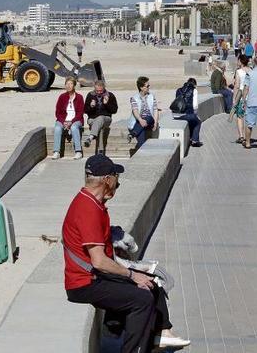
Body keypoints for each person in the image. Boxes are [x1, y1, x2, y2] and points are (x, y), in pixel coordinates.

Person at [63, 154, 190, 353]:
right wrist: (132, 274)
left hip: (94, 277)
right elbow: (99, 261)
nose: (118, 182)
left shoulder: (92, 203)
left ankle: (159, 335)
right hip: (85, 283)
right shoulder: (88, 209)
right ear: (107, 180)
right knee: (142, 299)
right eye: (116, 177)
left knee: (152, 283)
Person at [53, 77, 84, 160]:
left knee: (74, 127)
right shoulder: (62, 97)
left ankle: (78, 151)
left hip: (76, 120)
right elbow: (57, 112)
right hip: (63, 120)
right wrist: (63, 122)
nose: (68, 86)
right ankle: (56, 152)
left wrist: (71, 122)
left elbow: (80, 113)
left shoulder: (79, 97)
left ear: (74, 85)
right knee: (57, 128)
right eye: (67, 84)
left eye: (70, 84)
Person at [84, 80, 118, 153]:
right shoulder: (90, 95)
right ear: (94, 88)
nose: (99, 92)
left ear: (104, 88)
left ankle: (90, 137)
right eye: (97, 91)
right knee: (101, 128)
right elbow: (85, 110)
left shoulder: (110, 95)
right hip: (92, 119)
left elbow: (114, 110)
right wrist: (91, 106)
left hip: (106, 119)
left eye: (101, 91)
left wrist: (107, 104)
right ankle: (101, 152)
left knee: (100, 118)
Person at [128, 76, 159, 149]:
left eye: (149, 86)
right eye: (147, 86)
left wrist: (155, 123)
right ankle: (137, 156)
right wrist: (140, 120)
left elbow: (155, 110)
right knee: (141, 142)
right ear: (141, 88)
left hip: (150, 120)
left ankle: (133, 134)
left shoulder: (151, 96)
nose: (149, 87)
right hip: (139, 121)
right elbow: (135, 110)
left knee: (148, 117)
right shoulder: (134, 98)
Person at [173, 78, 203, 148]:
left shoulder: (179, 90)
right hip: (185, 114)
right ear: (194, 85)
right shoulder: (194, 90)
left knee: (192, 119)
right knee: (197, 121)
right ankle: (195, 140)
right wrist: (195, 115)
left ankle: (191, 138)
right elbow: (195, 106)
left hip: (175, 115)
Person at [231, 55, 251, 144]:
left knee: (240, 116)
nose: (237, 62)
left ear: (241, 61)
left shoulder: (238, 72)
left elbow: (237, 86)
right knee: (248, 118)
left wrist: (234, 99)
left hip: (241, 97)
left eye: (238, 60)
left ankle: (241, 136)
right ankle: (248, 137)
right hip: (250, 97)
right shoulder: (251, 71)